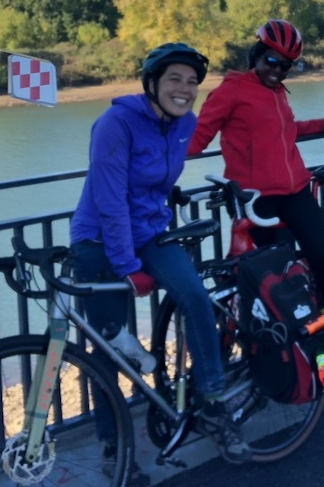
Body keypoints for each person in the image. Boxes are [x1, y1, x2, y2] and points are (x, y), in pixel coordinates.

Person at [69, 42, 251, 475]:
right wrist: (127, 266)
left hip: (151, 233)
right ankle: (114, 447)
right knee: (108, 346)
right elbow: (110, 199)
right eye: (175, 79)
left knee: (197, 300)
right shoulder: (115, 122)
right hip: (99, 239)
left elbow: (155, 184)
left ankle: (212, 403)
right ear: (152, 83)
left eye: (192, 82)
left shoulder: (185, 123)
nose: (185, 89)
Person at [188, 19, 324, 361]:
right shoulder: (231, 90)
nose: (278, 71)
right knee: (272, 281)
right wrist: (150, 145)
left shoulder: (278, 92)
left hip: (297, 192)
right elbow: (197, 138)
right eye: (272, 62)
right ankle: (274, 353)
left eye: (287, 66)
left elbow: (286, 130)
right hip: (258, 201)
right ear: (256, 55)